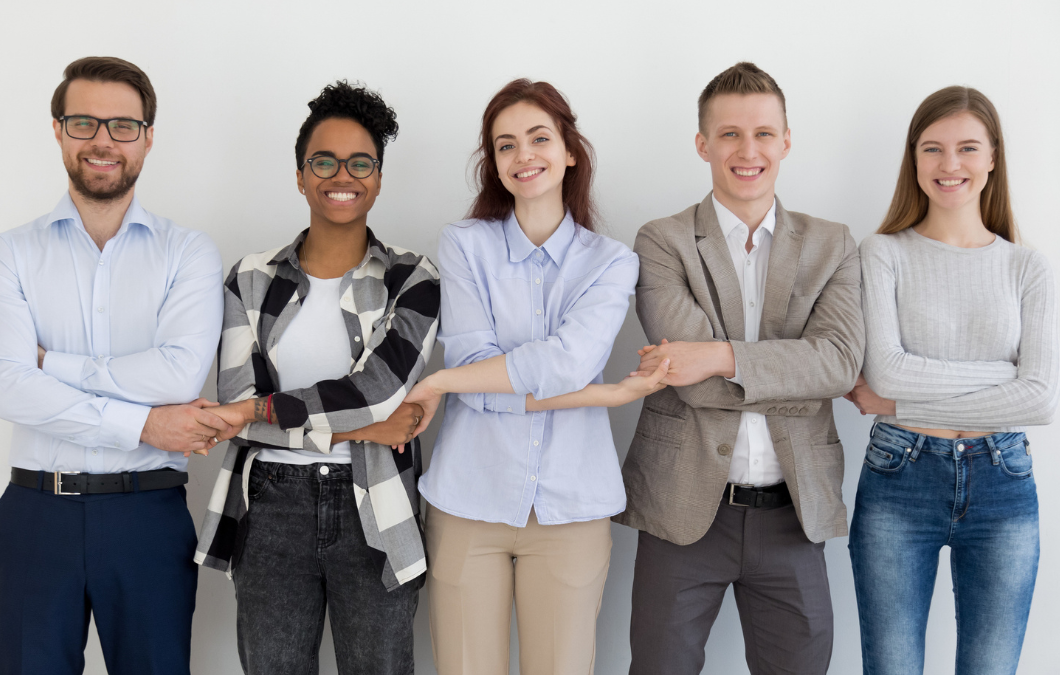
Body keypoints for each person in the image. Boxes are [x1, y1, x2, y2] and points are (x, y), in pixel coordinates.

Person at [404, 79, 667, 675]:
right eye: (506, 145)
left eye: (539, 138)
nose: (523, 155)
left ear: (570, 150)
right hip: (468, 501)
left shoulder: (613, 261)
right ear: (494, 163)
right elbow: (473, 363)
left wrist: (445, 385)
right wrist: (603, 395)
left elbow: (565, 364)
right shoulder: (464, 245)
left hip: (571, 509)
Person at [0, 56, 229, 675]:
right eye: (83, 123)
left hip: (147, 517)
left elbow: (177, 376)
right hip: (36, 515)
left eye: (122, 126)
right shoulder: (8, 254)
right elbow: (9, 388)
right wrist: (145, 424)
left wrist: (53, 365)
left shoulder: (187, 252)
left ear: (147, 137)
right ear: (58, 130)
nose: (102, 141)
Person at [614, 62, 866, 675]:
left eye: (762, 134)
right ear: (703, 144)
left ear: (786, 141)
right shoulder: (662, 241)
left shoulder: (832, 244)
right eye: (729, 134)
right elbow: (687, 380)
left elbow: (838, 364)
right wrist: (795, 373)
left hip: (794, 514)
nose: (747, 151)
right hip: (682, 511)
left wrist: (718, 355)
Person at [193, 81, 440, 675]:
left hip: (377, 504)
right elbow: (235, 400)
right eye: (324, 161)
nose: (342, 175)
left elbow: (377, 392)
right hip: (270, 504)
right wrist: (368, 429)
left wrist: (257, 413)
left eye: (361, 163)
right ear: (301, 176)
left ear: (378, 178)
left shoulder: (413, 278)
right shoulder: (249, 278)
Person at [845, 86, 1058, 675]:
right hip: (900, 476)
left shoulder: (1028, 267)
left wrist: (898, 402)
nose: (950, 164)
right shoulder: (882, 253)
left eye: (967, 147)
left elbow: (1041, 399)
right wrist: (1006, 377)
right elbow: (887, 369)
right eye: (932, 148)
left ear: (992, 157)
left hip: (1002, 480)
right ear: (914, 158)